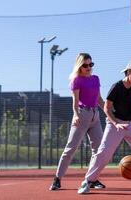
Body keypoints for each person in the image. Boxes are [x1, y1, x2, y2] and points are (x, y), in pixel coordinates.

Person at [77, 59, 131, 194]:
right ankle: (87, 182)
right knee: (104, 153)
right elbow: (107, 108)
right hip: (115, 123)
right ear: (129, 72)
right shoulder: (116, 87)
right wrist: (116, 123)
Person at [49, 53, 105, 190]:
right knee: (70, 148)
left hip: (95, 116)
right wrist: (75, 115)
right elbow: (75, 102)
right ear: (80, 66)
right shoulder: (77, 80)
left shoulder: (96, 79)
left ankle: (92, 179)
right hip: (82, 115)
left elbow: (99, 100)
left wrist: (108, 113)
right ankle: (57, 179)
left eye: (91, 64)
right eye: (85, 65)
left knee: (98, 150)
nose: (88, 67)